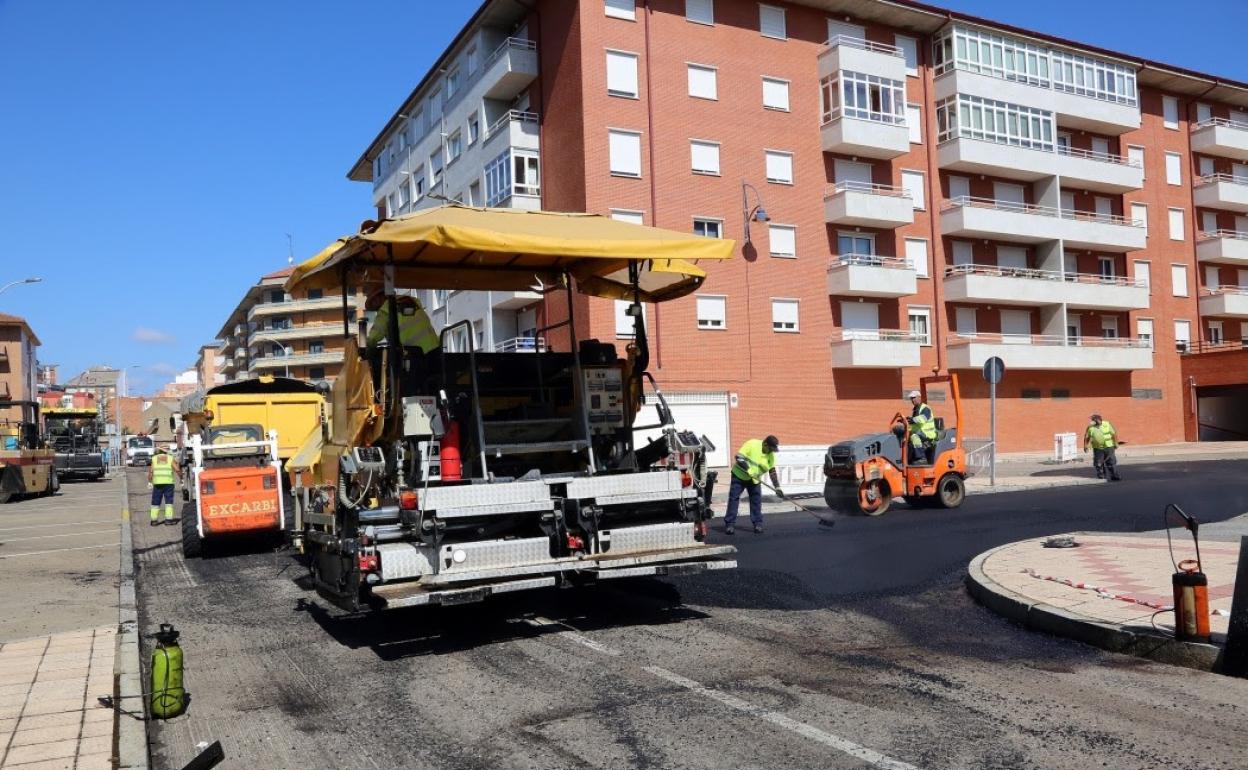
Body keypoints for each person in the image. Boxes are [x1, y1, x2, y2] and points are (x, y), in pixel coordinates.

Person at [724, 435, 782, 535]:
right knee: (734, 498)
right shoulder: (752, 444)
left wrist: (777, 487)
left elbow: (772, 471)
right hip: (739, 476)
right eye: (770, 449)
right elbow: (739, 457)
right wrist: (749, 470)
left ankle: (757, 524)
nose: (771, 452)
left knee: (756, 500)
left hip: (754, 480)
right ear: (765, 444)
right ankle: (730, 524)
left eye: (773, 450)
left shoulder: (770, 456)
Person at [365, 292, 440, 352]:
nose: (375, 308)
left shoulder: (385, 310)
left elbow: (374, 337)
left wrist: (365, 346)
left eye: (373, 301)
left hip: (415, 354)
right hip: (434, 349)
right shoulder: (411, 300)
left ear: (378, 297)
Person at [1084, 413, 1121, 481]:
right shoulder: (1090, 427)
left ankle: (1114, 476)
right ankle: (1101, 476)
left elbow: (1113, 434)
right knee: (1098, 463)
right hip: (1097, 448)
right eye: (1092, 419)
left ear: (1098, 420)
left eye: (1093, 419)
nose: (1092, 421)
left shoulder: (1107, 424)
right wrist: (1085, 446)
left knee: (1111, 462)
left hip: (1109, 447)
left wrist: (1115, 443)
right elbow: (1087, 437)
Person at [148, 446, 180, 525]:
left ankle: (154, 521)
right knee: (168, 502)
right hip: (168, 483)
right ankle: (168, 520)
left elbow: (151, 472)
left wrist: (149, 482)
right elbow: (177, 469)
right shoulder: (170, 458)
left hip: (157, 483)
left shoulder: (154, 458)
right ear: (166, 452)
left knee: (155, 502)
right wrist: (181, 478)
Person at [907, 390, 939, 465]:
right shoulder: (916, 409)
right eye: (911, 398)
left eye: (913, 398)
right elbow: (914, 425)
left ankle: (921, 458)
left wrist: (912, 419)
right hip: (921, 432)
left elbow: (923, 418)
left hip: (928, 434)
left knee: (914, 436)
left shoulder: (925, 408)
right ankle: (909, 460)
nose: (912, 400)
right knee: (907, 438)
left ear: (919, 397)